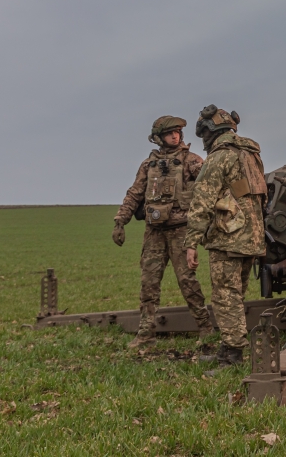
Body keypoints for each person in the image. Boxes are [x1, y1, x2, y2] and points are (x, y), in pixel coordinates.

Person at [114, 116, 214, 348]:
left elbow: (209, 187)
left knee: (187, 282)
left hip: (181, 231)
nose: (175, 136)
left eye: (178, 132)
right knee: (149, 283)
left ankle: (206, 328)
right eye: (170, 133)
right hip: (154, 232)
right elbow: (135, 194)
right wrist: (120, 221)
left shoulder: (191, 161)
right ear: (158, 137)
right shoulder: (148, 166)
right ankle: (146, 334)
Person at [184, 105, 267, 368]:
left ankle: (232, 357)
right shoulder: (251, 154)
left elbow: (202, 201)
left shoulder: (220, 157)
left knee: (225, 297)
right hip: (252, 237)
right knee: (236, 294)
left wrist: (191, 242)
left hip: (228, 237)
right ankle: (227, 349)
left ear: (209, 132)